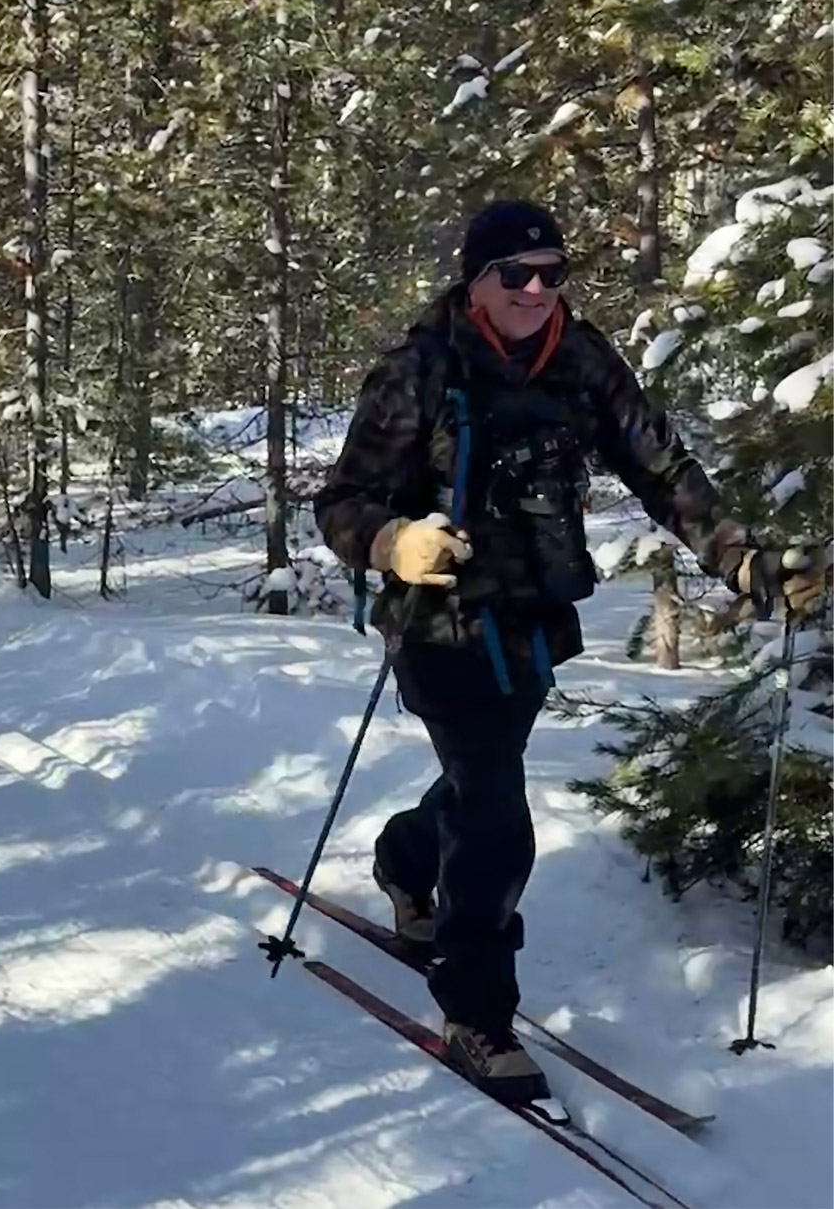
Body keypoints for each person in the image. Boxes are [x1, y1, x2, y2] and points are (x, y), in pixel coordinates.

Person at [314, 199, 824, 1103]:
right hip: (439, 626)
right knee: (499, 813)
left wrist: (741, 558)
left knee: (482, 781)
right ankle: (476, 1011)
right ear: (478, 280)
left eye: (552, 272)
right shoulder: (419, 369)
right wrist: (395, 543)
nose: (538, 289)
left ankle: (403, 859)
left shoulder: (581, 360)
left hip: (531, 622)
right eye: (517, 274)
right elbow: (344, 500)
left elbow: (660, 468)